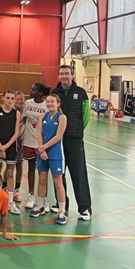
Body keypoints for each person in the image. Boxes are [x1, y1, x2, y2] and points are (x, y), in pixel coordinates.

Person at [50, 65, 92, 221]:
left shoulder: (81, 93)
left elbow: (86, 116)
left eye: (67, 73)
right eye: (61, 74)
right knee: (58, 174)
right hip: (57, 141)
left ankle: (85, 208)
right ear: (58, 76)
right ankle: (62, 204)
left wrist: (77, 130)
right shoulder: (55, 93)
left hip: (74, 141)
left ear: (72, 75)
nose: (64, 76)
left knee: (79, 175)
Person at [29, 94, 69, 225]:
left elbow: (58, 136)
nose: (49, 104)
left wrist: (43, 148)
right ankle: (40, 205)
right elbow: (39, 133)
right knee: (42, 179)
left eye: (52, 101)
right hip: (43, 152)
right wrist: (42, 150)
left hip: (55, 152)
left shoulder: (62, 117)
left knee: (58, 182)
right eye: (48, 101)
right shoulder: (42, 116)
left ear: (58, 104)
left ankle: (62, 210)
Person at [0, 90, 22, 215]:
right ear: (3, 98)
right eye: (7, 98)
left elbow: (16, 133)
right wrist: (0, 146)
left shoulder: (17, 113)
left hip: (10, 146)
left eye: (12, 98)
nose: (10, 100)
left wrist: (6, 147)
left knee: (9, 173)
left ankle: (10, 202)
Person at [21, 83, 50, 209]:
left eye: (33, 89)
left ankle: (44, 198)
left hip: (41, 144)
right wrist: (20, 136)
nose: (30, 91)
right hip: (28, 142)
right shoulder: (27, 103)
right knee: (31, 168)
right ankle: (31, 195)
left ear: (40, 93)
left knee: (43, 172)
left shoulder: (46, 106)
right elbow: (23, 121)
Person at [12, 91, 26, 203]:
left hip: (22, 142)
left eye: (21, 99)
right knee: (9, 166)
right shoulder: (10, 110)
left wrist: (23, 136)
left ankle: (17, 189)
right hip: (11, 141)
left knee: (20, 165)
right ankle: (5, 187)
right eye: (17, 99)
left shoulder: (26, 111)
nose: (19, 101)